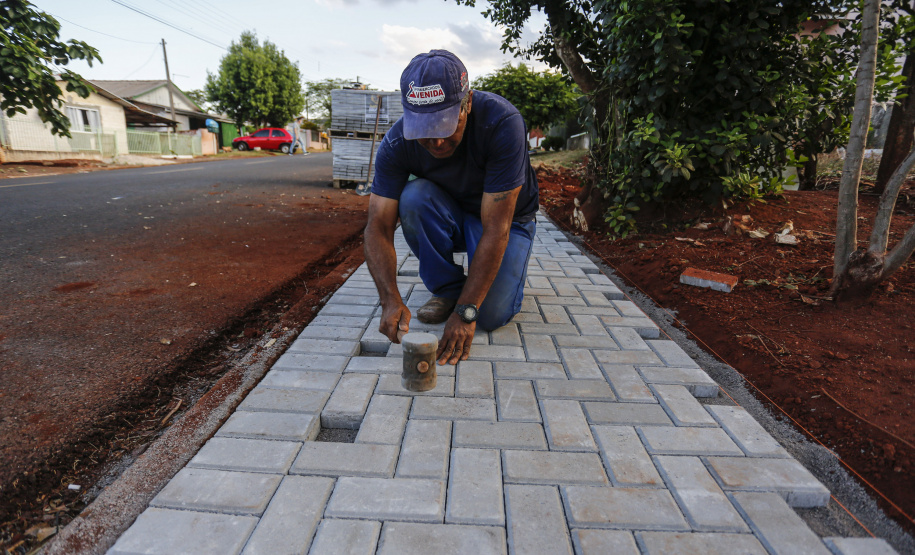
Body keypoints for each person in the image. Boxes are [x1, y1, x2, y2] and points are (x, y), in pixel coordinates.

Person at [364, 49, 539, 366]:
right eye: (425, 129)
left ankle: (470, 294)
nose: (437, 142)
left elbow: (496, 229)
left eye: (445, 125)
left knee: (489, 315)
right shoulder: (396, 143)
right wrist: (389, 299)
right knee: (413, 197)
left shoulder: (502, 123)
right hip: (450, 212)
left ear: (467, 102)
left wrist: (467, 311)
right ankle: (448, 288)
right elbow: (378, 226)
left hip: (506, 221)